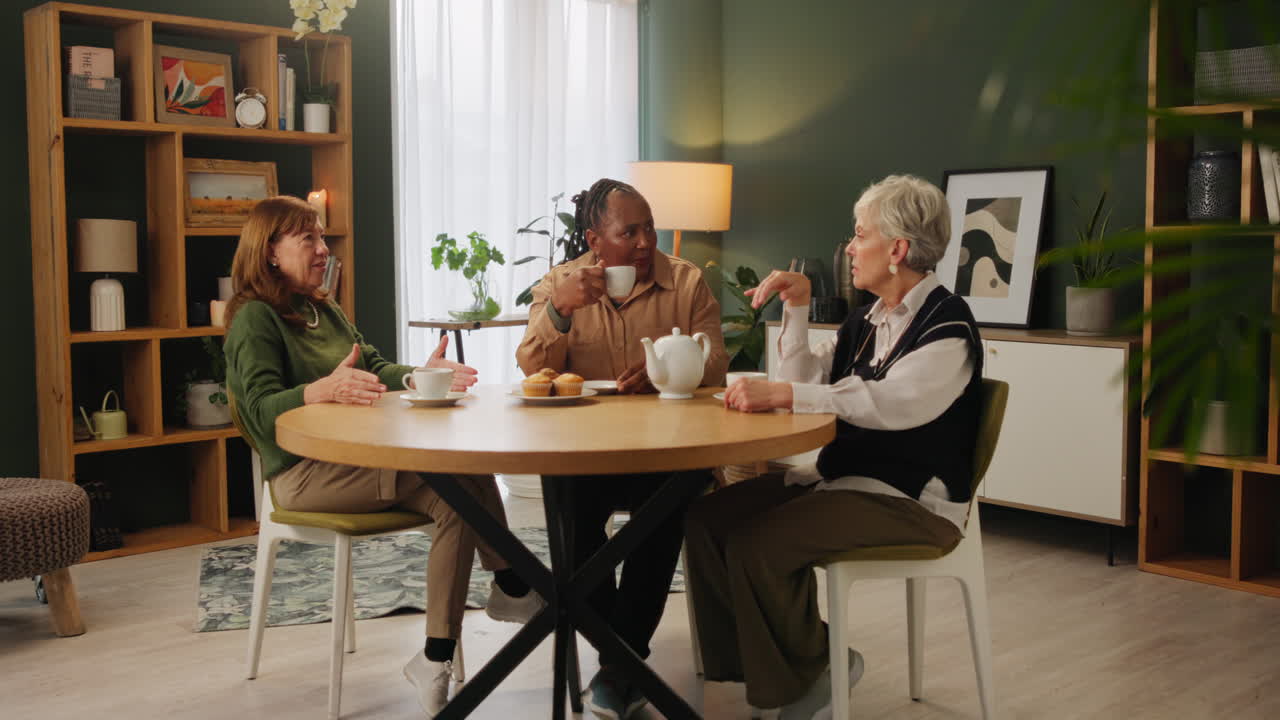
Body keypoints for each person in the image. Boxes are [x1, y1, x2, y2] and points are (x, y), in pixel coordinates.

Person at [224, 196, 543, 719]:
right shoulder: (254, 320)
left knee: (458, 484)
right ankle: (512, 585)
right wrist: (321, 390)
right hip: (302, 475)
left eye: (322, 238)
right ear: (270, 252)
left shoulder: (321, 309)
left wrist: (419, 376)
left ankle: (438, 656)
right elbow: (260, 414)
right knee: (457, 484)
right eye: (309, 240)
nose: (324, 250)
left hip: (351, 464)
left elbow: (371, 365)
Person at [684, 175, 983, 720]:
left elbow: (892, 403)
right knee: (708, 520)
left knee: (759, 544)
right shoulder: (865, 322)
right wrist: (796, 310)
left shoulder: (948, 326)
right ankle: (751, 676)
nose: (849, 247)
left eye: (859, 234)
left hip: (912, 503)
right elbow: (802, 379)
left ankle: (815, 670)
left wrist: (784, 392)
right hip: (843, 483)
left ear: (896, 250)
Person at [515, 178, 729, 719]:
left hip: (665, 453)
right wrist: (561, 310)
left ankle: (616, 667)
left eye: (648, 227)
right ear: (594, 238)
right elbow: (530, 363)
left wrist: (667, 373)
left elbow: (717, 365)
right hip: (585, 455)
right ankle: (625, 662)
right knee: (572, 516)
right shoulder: (560, 285)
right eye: (628, 231)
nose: (643, 241)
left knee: (664, 509)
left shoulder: (687, 282)